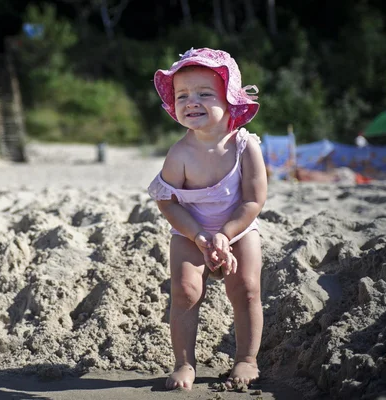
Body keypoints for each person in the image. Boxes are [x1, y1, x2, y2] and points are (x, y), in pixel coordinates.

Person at [147, 48, 267, 390]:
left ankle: (246, 358)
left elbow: (254, 200)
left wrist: (226, 235)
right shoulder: (180, 153)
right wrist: (199, 235)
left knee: (245, 289)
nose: (191, 101)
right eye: (182, 95)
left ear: (230, 100)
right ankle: (185, 363)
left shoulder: (245, 147)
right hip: (190, 231)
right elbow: (166, 201)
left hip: (239, 228)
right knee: (184, 292)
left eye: (204, 93)